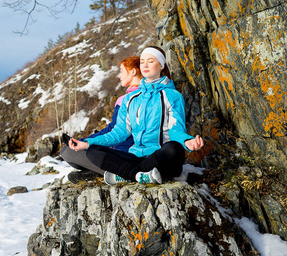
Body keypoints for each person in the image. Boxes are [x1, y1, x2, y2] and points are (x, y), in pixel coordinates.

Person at [68, 46, 204, 185]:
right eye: (142, 61)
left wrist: (187, 141)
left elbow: (176, 130)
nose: (145, 65)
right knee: (93, 151)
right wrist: (87, 143)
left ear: (161, 65)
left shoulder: (172, 96)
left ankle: (126, 173)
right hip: (136, 156)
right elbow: (119, 133)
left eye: (150, 61)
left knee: (174, 148)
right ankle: (138, 175)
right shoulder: (130, 99)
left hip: (160, 157)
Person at [61, 56, 143, 183]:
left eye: (122, 71)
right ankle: (98, 172)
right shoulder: (145, 96)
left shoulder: (130, 99)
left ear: (133, 71)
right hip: (121, 150)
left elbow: (114, 130)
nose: (119, 76)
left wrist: (86, 142)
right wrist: (85, 142)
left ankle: (108, 172)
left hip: (124, 153)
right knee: (71, 151)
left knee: (67, 152)